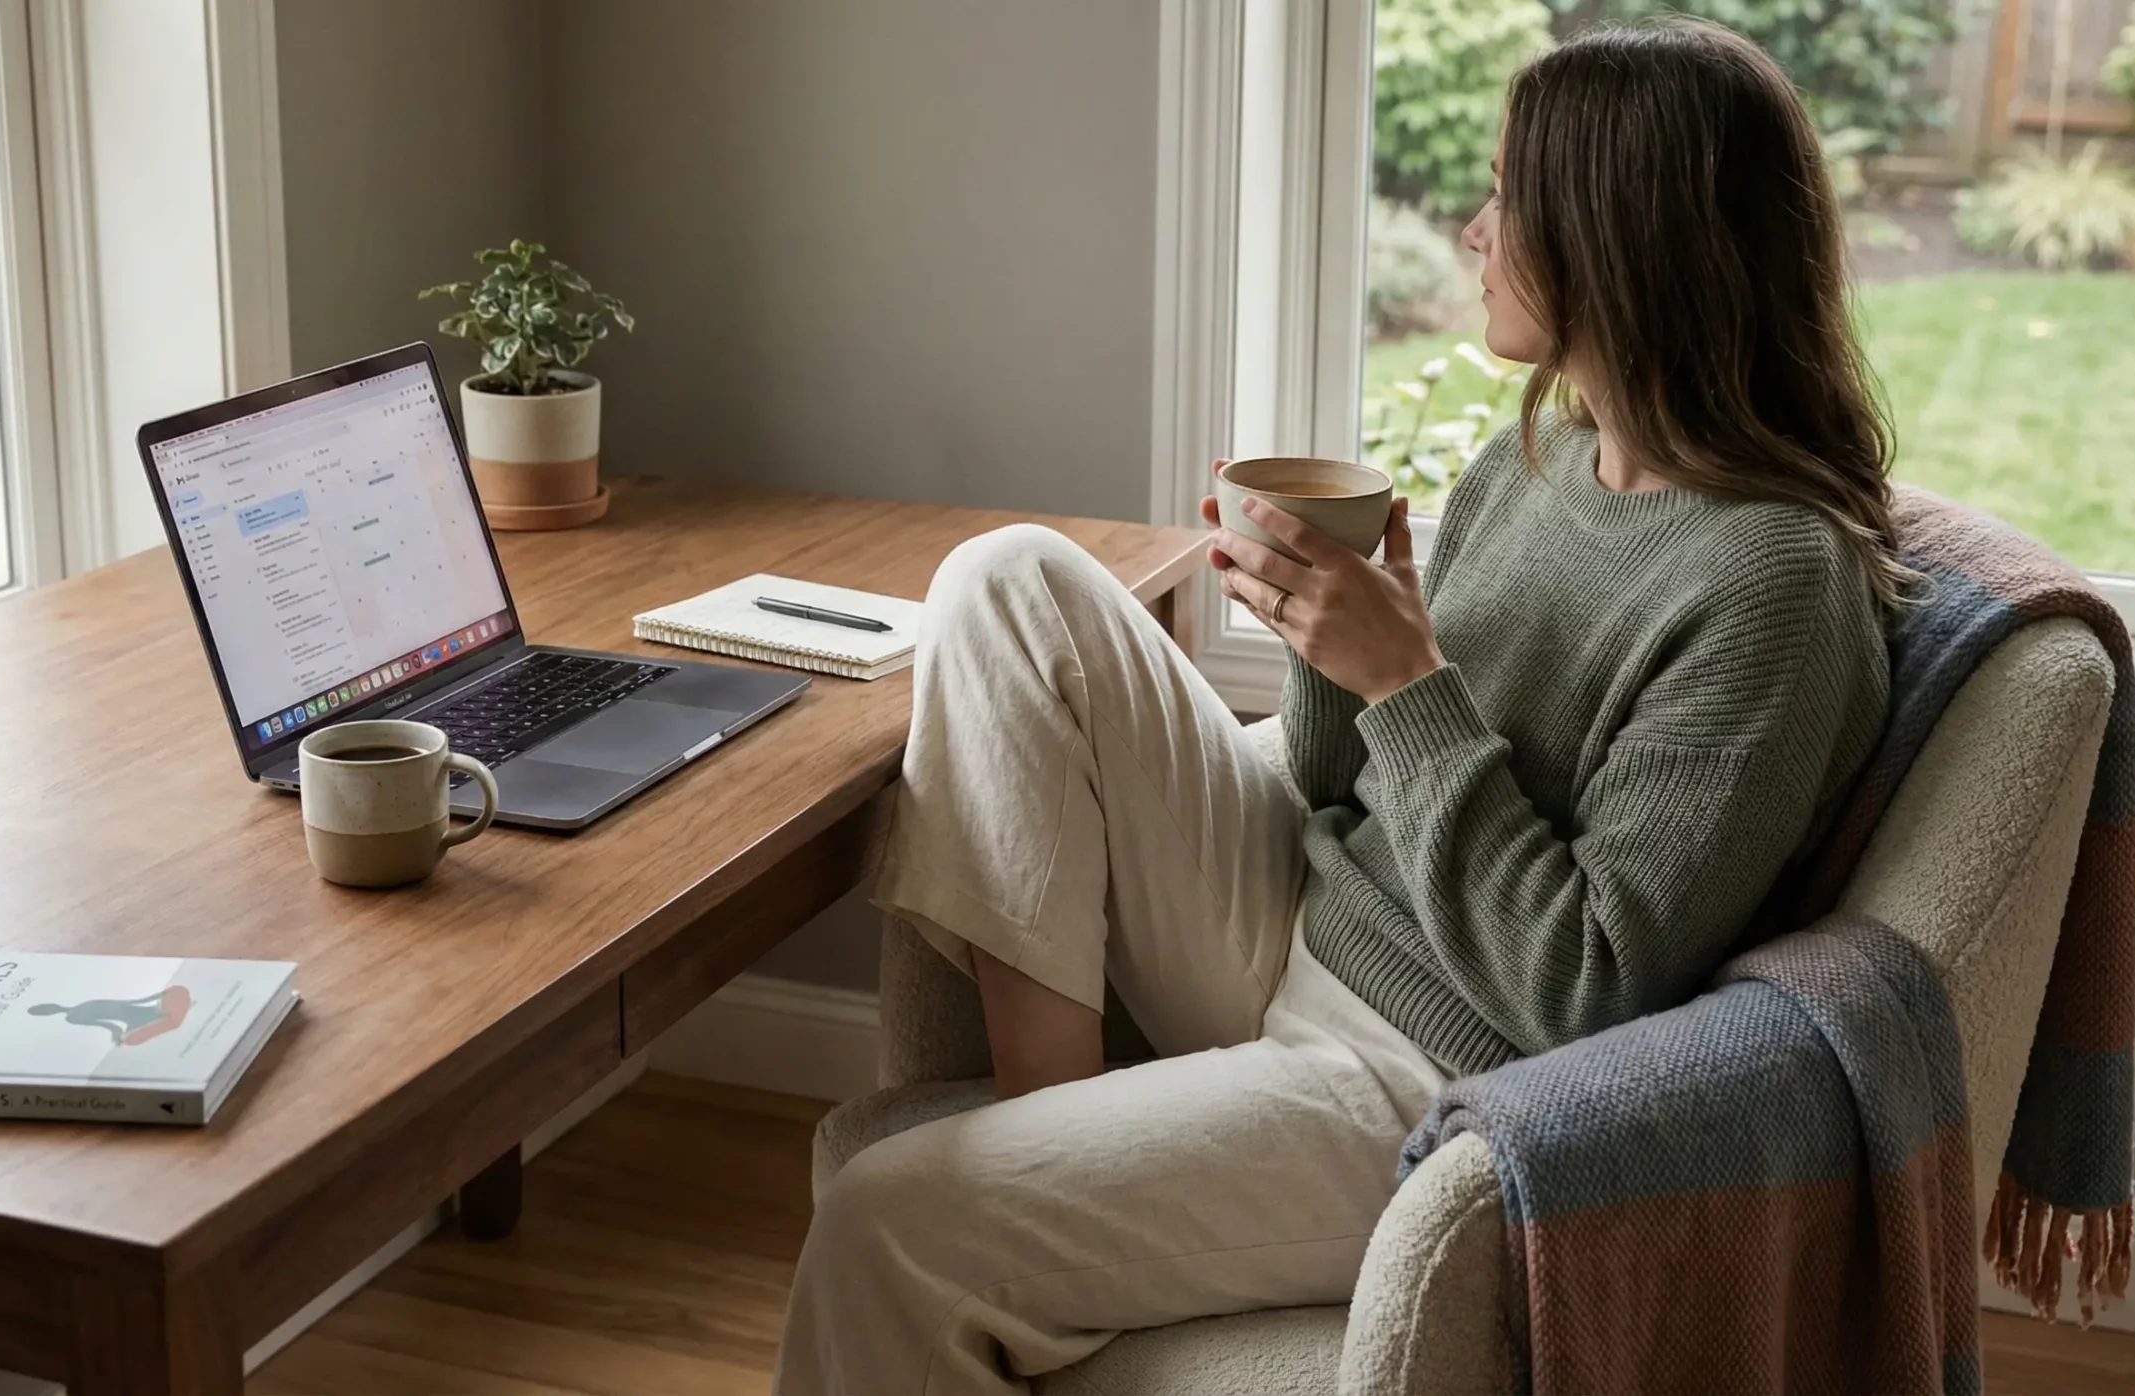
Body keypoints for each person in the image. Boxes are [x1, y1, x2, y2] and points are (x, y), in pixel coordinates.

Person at [774, 18, 1898, 1393]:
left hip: (1434, 1075)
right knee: (1009, 581)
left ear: (1616, 236)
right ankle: (1061, 1141)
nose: (1477, 230)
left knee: (892, 1217)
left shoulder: (1775, 584)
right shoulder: (1533, 463)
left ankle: (1041, 1201)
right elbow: (1332, 790)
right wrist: (1323, 634)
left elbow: (1586, 991)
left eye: (1506, 194)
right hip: (1310, 930)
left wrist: (1407, 681)